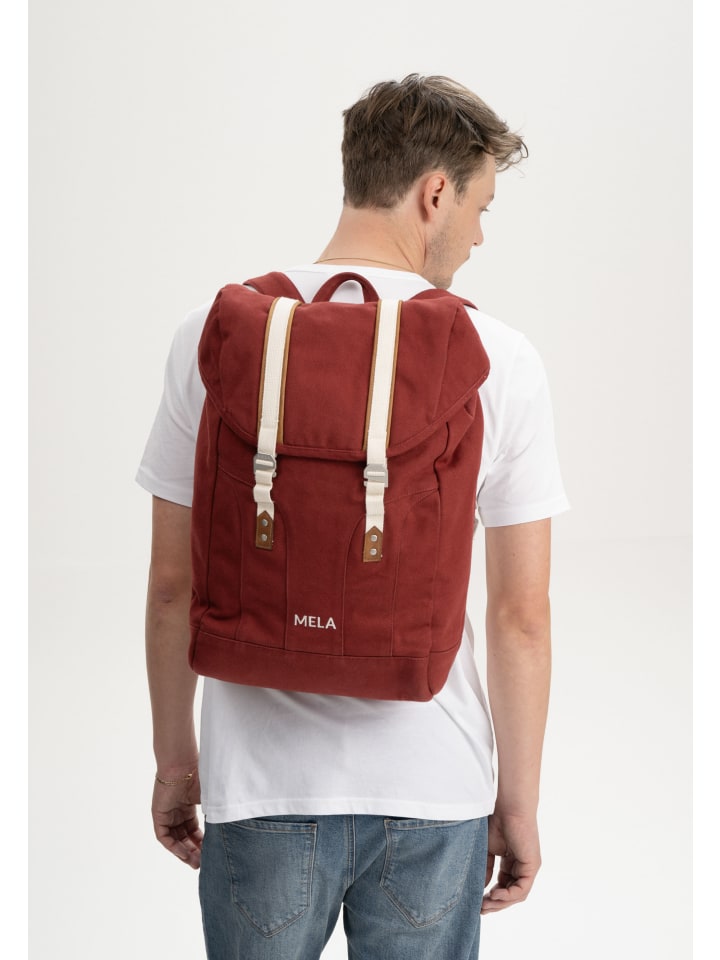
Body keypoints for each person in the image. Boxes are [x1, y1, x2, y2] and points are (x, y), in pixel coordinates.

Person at [137, 73, 569, 960]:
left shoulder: (211, 335)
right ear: (435, 192)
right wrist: (518, 803)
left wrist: (177, 763)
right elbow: (520, 615)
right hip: (434, 792)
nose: (480, 235)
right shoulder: (499, 357)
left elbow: (173, 584)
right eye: (481, 207)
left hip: (261, 790)